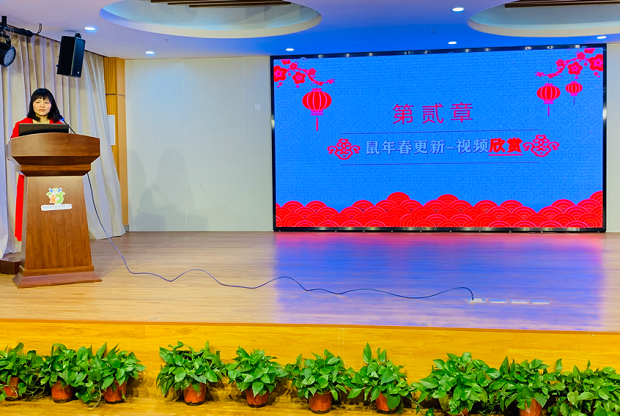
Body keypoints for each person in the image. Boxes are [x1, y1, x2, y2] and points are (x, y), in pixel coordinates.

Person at [11, 88, 65, 241]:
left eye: (46, 102)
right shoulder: (21, 124)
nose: (42, 105)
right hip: (29, 174)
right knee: (31, 211)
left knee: (53, 210)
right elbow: (13, 149)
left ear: (52, 105)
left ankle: (55, 241)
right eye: (38, 101)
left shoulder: (59, 124)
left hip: (55, 175)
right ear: (32, 104)